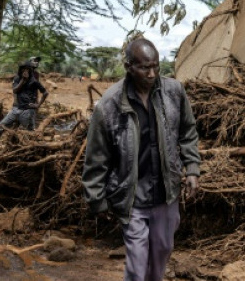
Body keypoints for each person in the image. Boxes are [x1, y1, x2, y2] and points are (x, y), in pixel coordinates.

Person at [82, 38, 201, 281]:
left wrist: (192, 169)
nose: (151, 73)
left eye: (156, 66)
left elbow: (188, 132)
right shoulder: (109, 105)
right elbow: (97, 156)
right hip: (132, 196)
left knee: (162, 252)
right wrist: (97, 199)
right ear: (128, 67)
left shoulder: (174, 92)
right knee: (137, 264)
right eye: (144, 68)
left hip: (166, 193)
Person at [0, 58, 49, 141]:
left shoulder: (34, 79)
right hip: (16, 108)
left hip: (28, 110)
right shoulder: (17, 78)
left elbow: (45, 93)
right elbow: (15, 90)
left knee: (28, 132)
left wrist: (38, 105)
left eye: (28, 69)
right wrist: (23, 80)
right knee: (1, 126)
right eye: (24, 69)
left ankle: (29, 147)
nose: (26, 71)